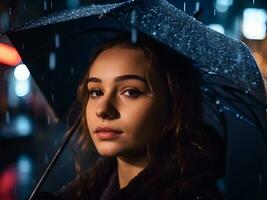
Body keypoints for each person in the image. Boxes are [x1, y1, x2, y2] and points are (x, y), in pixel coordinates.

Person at [56, 34, 225, 200]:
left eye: (131, 92)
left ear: (174, 104)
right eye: (96, 92)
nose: (102, 109)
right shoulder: (88, 190)